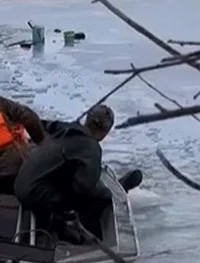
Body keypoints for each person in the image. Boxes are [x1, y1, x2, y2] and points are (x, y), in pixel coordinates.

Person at [12, 104, 142, 244]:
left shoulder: (65, 127)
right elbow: (84, 188)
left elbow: (42, 124)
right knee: (100, 196)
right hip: (33, 194)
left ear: (86, 119)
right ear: (106, 132)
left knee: (72, 173)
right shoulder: (92, 149)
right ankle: (71, 227)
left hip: (20, 183)